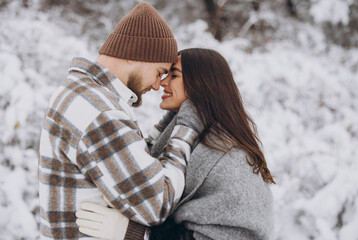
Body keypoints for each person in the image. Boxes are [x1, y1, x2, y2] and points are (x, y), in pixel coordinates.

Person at [38, 2, 204, 239]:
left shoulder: (77, 92)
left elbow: (126, 163)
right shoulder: (100, 112)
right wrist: (185, 129)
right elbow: (158, 203)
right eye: (159, 72)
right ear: (135, 53)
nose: (158, 85)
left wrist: (165, 124)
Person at [75, 48, 275, 240]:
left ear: (201, 83)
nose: (162, 83)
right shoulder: (177, 135)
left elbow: (238, 234)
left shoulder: (229, 155)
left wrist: (136, 234)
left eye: (174, 75)